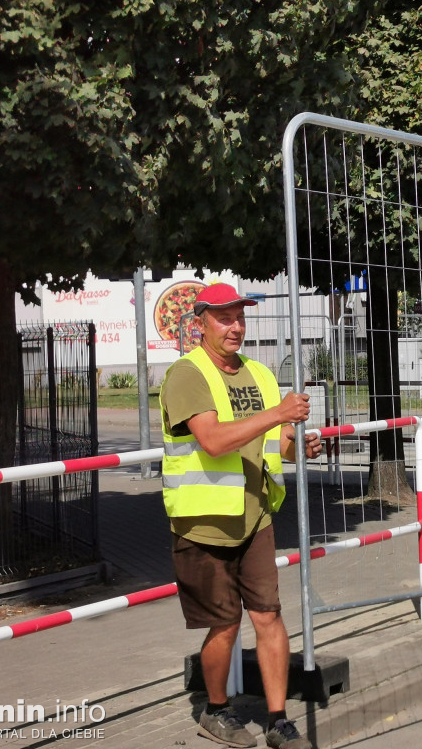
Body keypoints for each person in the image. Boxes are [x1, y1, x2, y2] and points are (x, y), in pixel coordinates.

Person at [159, 282, 323, 749]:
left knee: (268, 616)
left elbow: (276, 444)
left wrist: (300, 446)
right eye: (224, 318)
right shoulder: (186, 374)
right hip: (204, 521)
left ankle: (277, 719)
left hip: (255, 518)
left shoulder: (259, 374)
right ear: (201, 323)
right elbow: (212, 440)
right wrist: (276, 415)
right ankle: (215, 710)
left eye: (240, 318)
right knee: (224, 623)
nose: (235, 327)